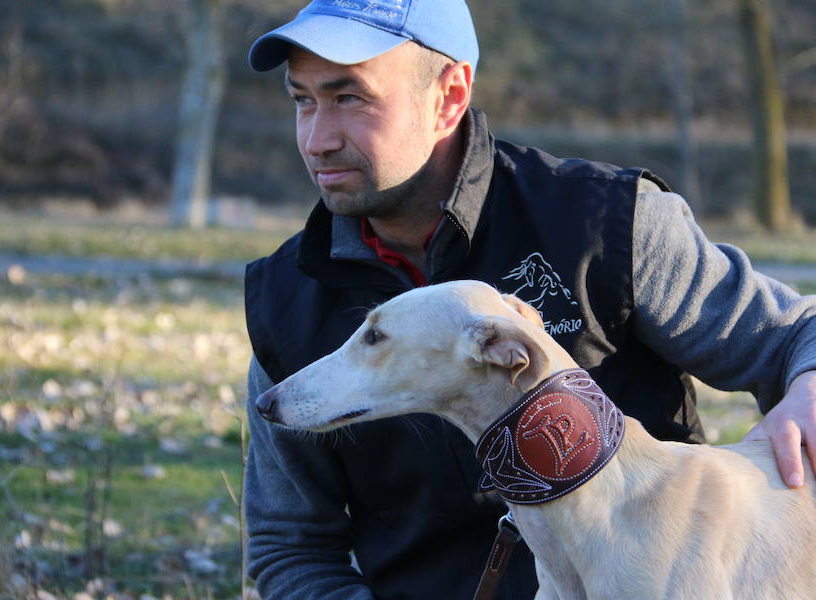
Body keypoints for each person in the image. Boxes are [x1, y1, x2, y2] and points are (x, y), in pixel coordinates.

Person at [241, 1, 816, 598]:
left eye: (349, 98)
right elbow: (290, 547)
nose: (316, 139)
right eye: (302, 100)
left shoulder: (606, 222)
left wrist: (811, 384)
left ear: (449, 94)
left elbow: (797, 334)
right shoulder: (284, 301)